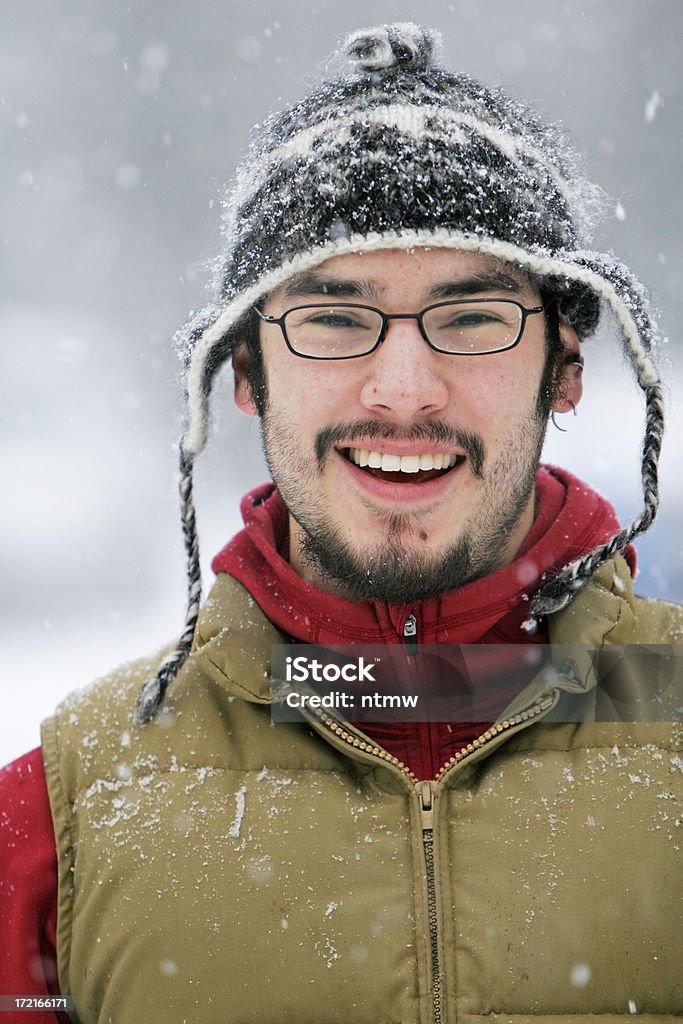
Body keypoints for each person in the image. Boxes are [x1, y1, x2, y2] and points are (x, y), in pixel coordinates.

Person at [2, 22, 682, 1024]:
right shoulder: (58, 814)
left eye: (469, 316)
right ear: (243, 371)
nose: (402, 391)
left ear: (564, 367)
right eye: (331, 316)